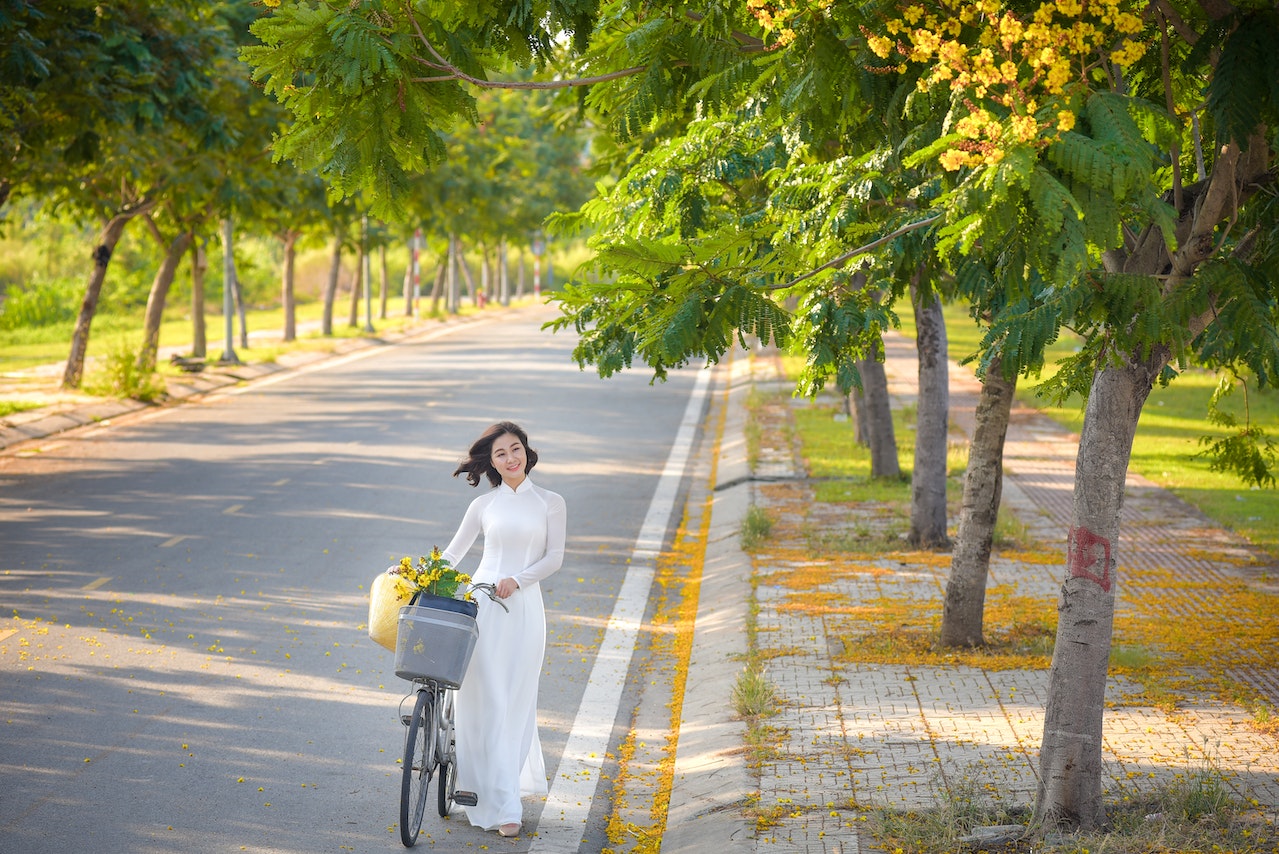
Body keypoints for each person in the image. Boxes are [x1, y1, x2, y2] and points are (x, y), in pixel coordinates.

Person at [440, 421, 567, 839]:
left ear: (527, 452)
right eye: (501, 454)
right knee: (482, 700)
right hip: (482, 607)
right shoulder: (484, 506)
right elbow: (454, 553)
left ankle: (507, 800)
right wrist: (415, 573)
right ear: (491, 463)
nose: (511, 458)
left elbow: (554, 559)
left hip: (523, 609)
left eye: (516, 449)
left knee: (513, 701)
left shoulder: (550, 502)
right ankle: (484, 793)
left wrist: (519, 579)